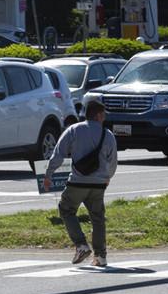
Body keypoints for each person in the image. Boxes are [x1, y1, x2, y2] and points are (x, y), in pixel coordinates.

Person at [43, 100, 118, 267]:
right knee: (98, 218)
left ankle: (81, 244)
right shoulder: (108, 135)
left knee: (66, 210)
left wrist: (48, 174)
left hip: (78, 182)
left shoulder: (74, 130)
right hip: (99, 184)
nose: (104, 118)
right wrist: (107, 177)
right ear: (98, 115)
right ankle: (100, 256)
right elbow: (112, 162)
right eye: (103, 115)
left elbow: (58, 153)